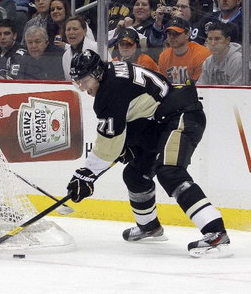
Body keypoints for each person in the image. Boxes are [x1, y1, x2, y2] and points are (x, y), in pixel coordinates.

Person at [67, 49, 231, 258]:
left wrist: (85, 174)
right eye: (76, 81)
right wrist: (130, 144)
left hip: (181, 116)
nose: (81, 87)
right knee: (135, 175)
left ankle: (215, 231)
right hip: (159, 123)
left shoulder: (109, 91)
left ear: (98, 74)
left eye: (84, 80)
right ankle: (149, 227)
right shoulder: (112, 73)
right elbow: (139, 108)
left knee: (169, 171)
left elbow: (108, 144)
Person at [158, 17, 211, 84]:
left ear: (187, 34)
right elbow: (163, 84)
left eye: (176, 33)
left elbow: (198, 87)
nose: (172, 37)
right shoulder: (164, 55)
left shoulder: (202, 54)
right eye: (169, 33)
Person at [62, 15, 98, 80]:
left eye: (75, 29)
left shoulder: (97, 48)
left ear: (85, 31)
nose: (71, 32)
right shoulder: (65, 56)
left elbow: (109, 73)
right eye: (68, 29)